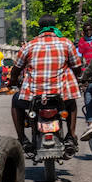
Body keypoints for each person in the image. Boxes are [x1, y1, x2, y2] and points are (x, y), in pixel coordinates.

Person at [13, 14, 83, 156]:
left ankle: (22, 139)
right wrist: (76, 76)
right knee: (71, 104)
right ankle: (70, 135)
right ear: (54, 26)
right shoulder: (66, 43)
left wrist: (12, 82)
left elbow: (16, 69)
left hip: (35, 95)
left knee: (16, 101)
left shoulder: (29, 46)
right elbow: (77, 67)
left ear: (40, 28)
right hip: (59, 95)